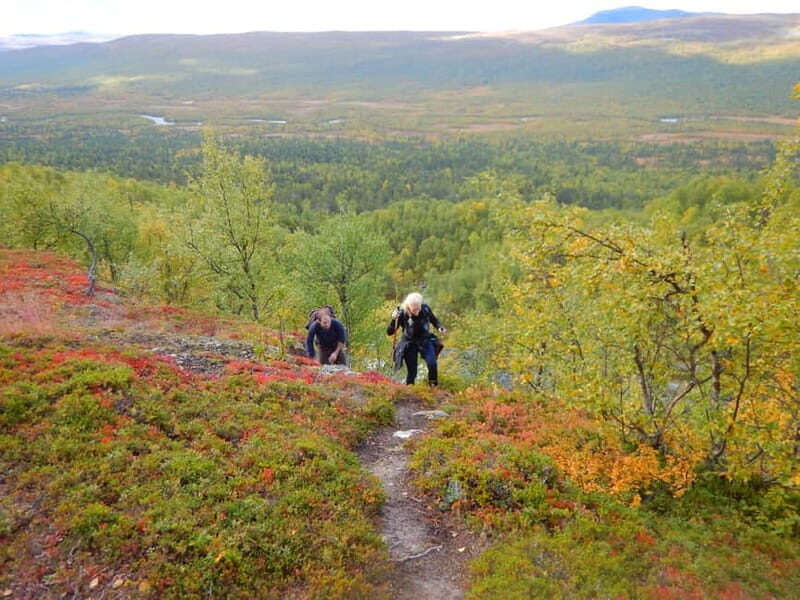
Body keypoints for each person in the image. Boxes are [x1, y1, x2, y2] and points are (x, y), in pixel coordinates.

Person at [387, 292, 446, 386]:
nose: (417, 312)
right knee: (412, 371)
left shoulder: (425, 309)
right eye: (414, 310)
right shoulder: (402, 313)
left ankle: (433, 387)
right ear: (408, 306)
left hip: (425, 340)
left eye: (418, 309)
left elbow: (434, 320)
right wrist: (394, 319)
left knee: (432, 363)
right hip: (409, 343)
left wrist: (440, 327)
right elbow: (390, 332)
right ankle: (410, 390)